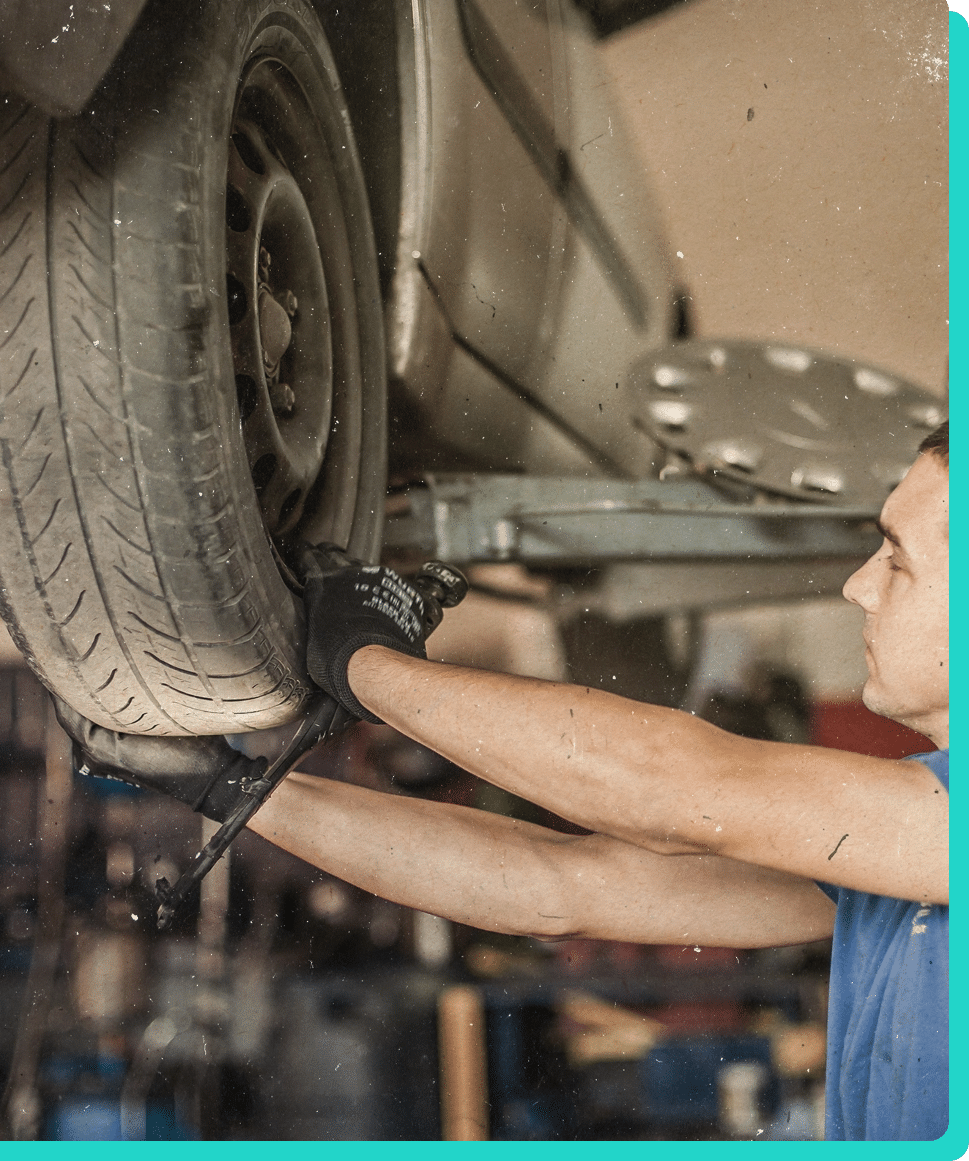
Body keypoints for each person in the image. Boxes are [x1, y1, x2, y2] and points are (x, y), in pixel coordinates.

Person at [245, 422, 949, 1142]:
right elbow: (560, 884)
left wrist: (363, 661)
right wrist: (238, 794)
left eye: (898, 560)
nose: (858, 585)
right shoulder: (887, 858)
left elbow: (673, 785)